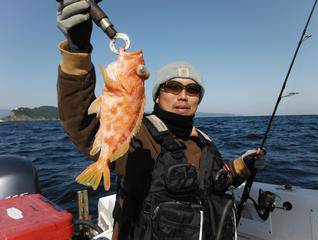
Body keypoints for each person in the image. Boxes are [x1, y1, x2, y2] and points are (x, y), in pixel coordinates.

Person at [56, 1, 265, 239]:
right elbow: (80, 121)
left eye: (193, 90)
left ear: (199, 99)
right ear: (156, 96)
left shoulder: (204, 142)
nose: (183, 95)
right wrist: (78, 50)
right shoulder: (140, 137)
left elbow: (217, 182)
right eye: (173, 87)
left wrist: (241, 167)